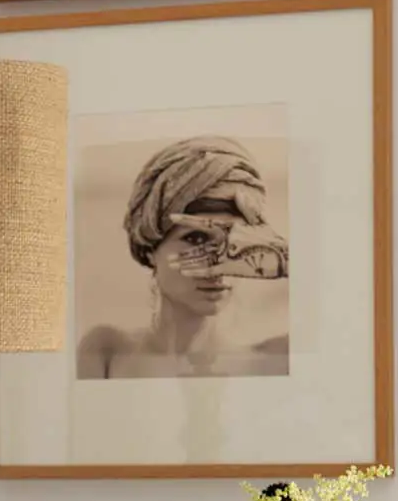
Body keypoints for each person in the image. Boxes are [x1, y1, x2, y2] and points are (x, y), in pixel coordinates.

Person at [77, 136, 289, 380]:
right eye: (196, 240)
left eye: (235, 242)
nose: (217, 265)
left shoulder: (276, 358)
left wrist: (284, 259)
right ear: (150, 250)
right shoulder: (108, 352)